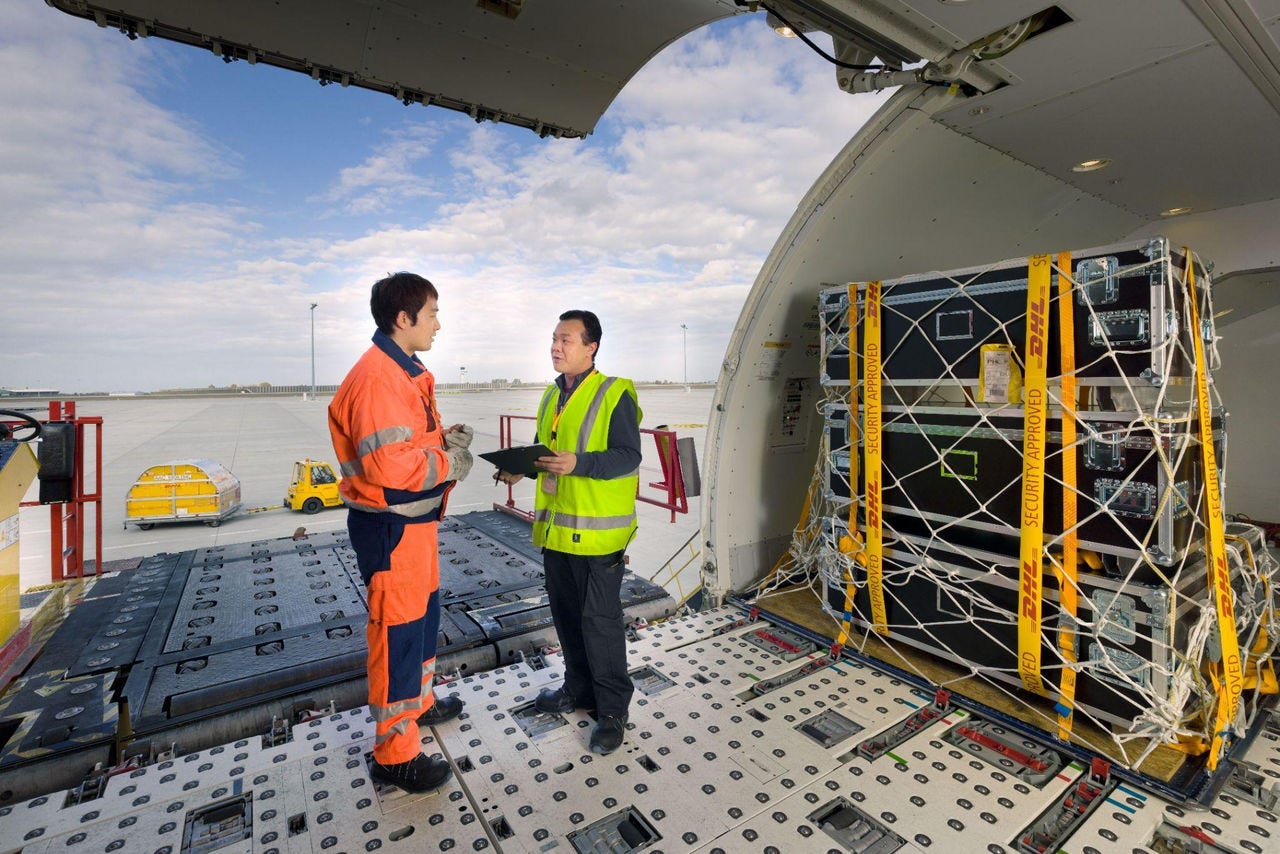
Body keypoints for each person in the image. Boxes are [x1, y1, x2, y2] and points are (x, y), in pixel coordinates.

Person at [328, 272, 474, 792]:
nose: (438, 323)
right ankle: (395, 755)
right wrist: (451, 462)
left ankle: (422, 704)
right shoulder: (378, 380)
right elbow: (391, 469)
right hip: (391, 528)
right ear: (404, 319)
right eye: (432, 313)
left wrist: (442, 438)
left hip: (412, 528)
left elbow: (404, 445)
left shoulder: (400, 373)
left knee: (420, 622)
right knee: (396, 636)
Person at [496, 310, 642, 754]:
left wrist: (579, 464)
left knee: (600, 624)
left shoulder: (613, 392)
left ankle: (613, 710)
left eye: (566, 339)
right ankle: (577, 690)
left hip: (598, 537)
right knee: (567, 620)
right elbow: (550, 457)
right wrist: (522, 471)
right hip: (558, 532)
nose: (556, 347)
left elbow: (627, 456)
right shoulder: (550, 396)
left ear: (591, 346)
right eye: (554, 339)